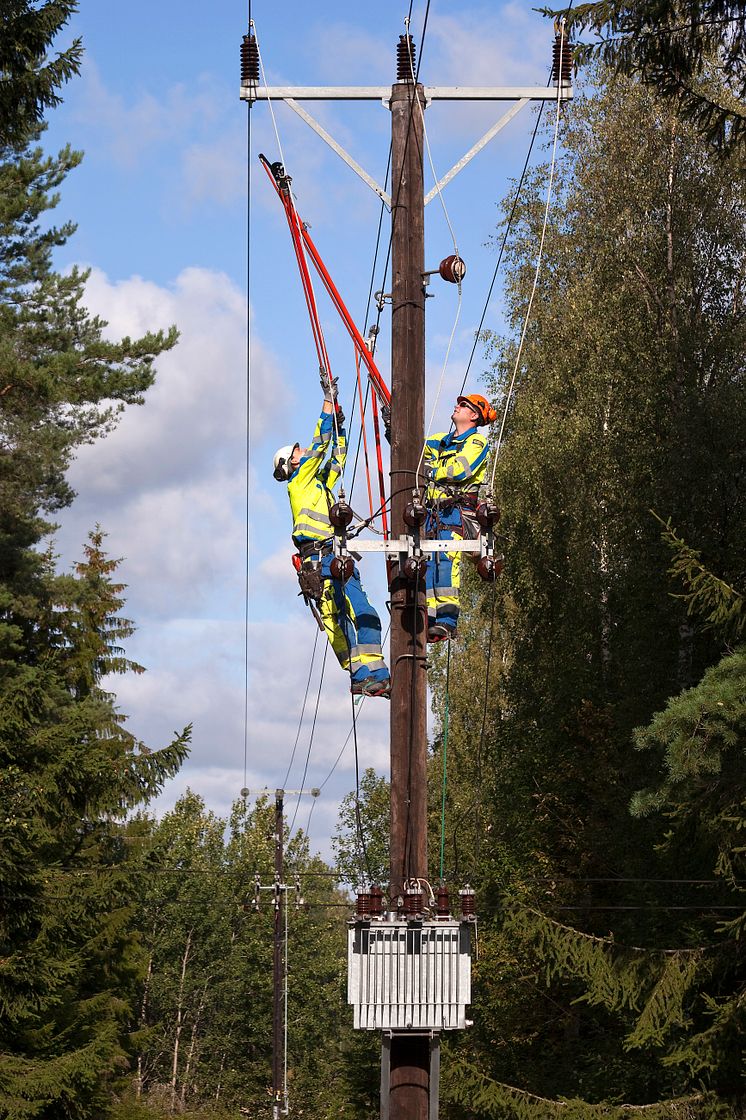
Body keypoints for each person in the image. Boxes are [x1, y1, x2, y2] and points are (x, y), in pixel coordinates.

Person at [272, 373, 391, 698]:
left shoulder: (316, 482)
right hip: (319, 561)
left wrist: (338, 422)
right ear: (291, 463)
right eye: (299, 451)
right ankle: (362, 673)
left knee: (364, 612)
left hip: (335, 556)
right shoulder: (299, 481)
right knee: (342, 617)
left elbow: (337, 453)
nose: (305, 450)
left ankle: (374, 674)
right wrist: (328, 403)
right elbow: (321, 445)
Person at [421, 393, 496, 641]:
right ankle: (430, 617)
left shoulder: (476, 442)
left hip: (456, 512)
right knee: (428, 563)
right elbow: (416, 453)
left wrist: (434, 471)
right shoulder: (438, 441)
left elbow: (460, 469)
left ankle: (447, 620)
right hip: (432, 512)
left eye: (463, 405)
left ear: (473, 415)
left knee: (445, 560)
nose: (457, 406)